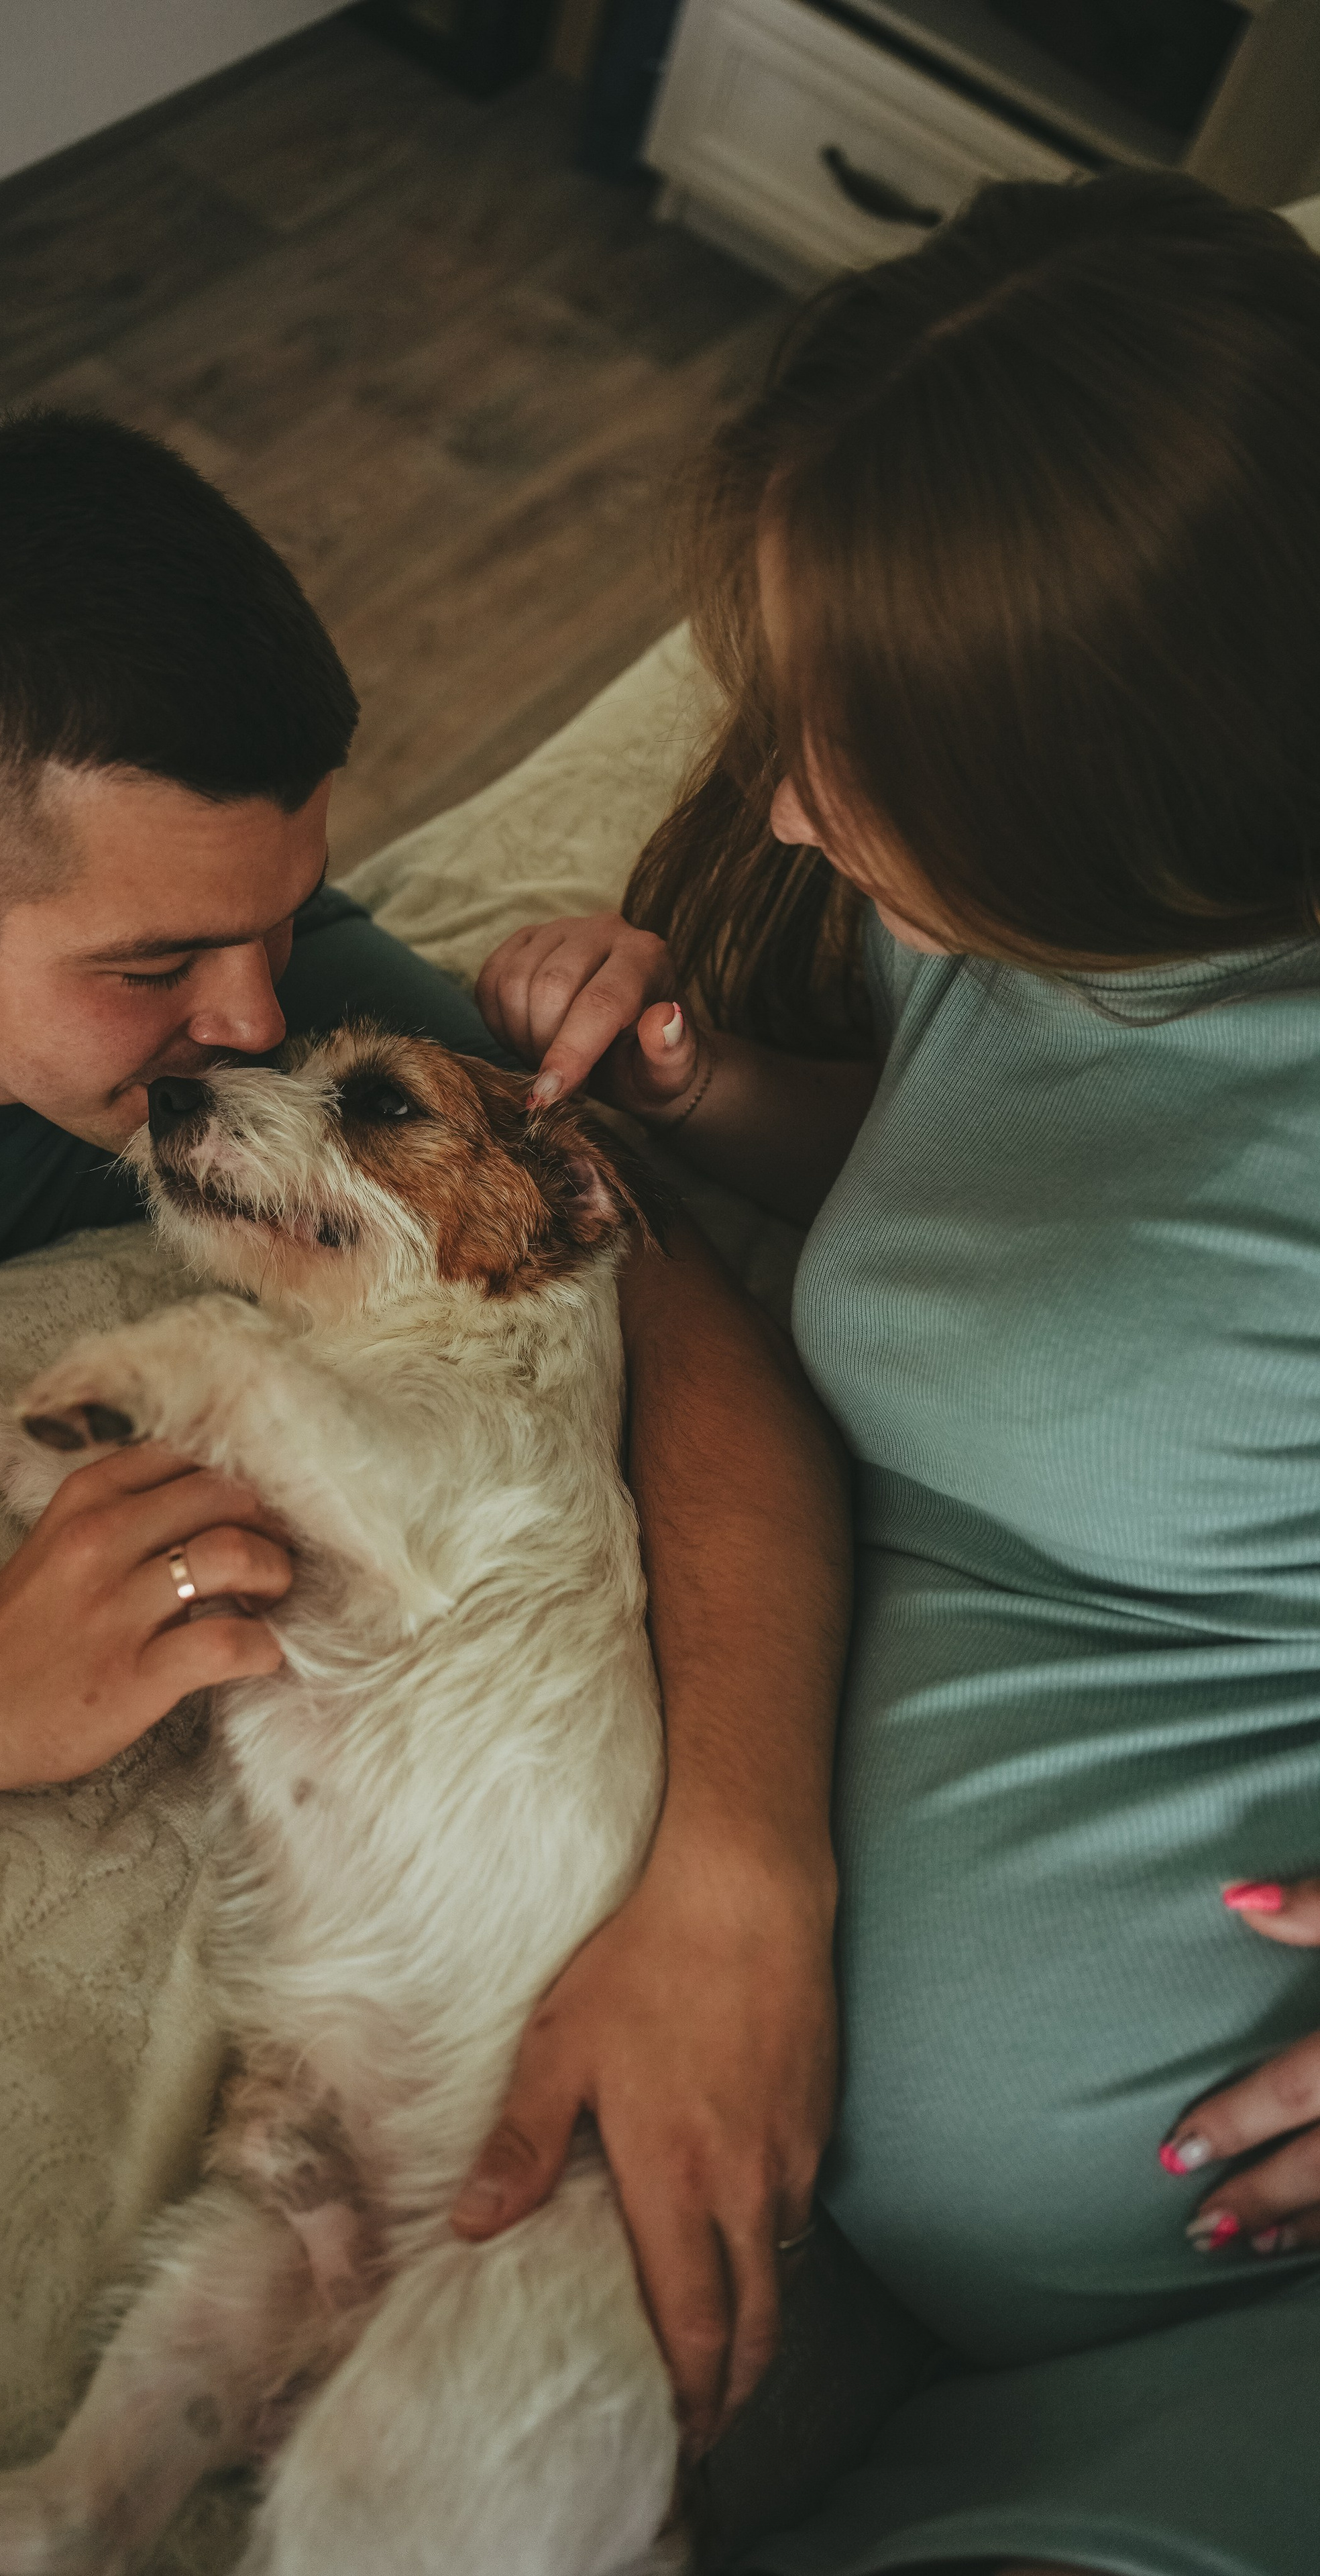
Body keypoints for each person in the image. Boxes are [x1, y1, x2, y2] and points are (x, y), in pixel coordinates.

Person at [0, 412, 848, 2456]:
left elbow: (683, 1327)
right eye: (160, 964)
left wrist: (738, 1876)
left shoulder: (263, 1003)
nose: (262, 1022)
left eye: (288, 915)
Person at [464, 172, 1320, 2576]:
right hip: (930, 2251)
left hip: (1237, 2317)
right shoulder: (1031, 913)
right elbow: (978, 1190)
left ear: (1125, 782)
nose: (787, 805)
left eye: (860, 758)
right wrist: (697, 1095)